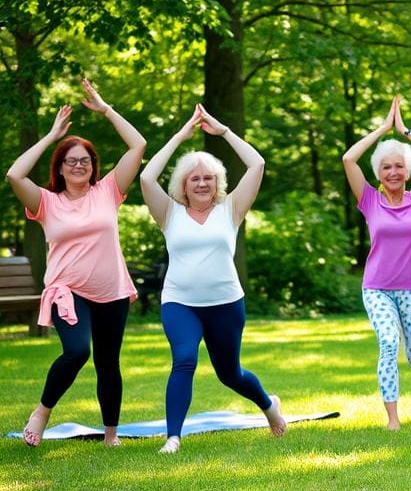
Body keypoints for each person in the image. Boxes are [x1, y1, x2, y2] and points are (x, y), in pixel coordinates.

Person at [6, 79, 146, 447]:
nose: (79, 165)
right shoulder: (46, 202)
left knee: (108, 362)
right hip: (67, 291)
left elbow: (138, 145)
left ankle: (111, 435)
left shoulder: (108, 191)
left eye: (85, 160)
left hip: (112, 290)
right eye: (71, 161)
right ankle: (42, 412)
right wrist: (51, 137)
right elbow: (14, 174)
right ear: (61, 167)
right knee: (77, 351)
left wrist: (106, 109)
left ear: (93, 166)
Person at [140, 104, 286, 453]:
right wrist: (180, 137)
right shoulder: (168, 212)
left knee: (230, 374)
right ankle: (173, 437)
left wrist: (224, 132)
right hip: (180, 303)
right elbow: (146, 178)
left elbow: (257, 164)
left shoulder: (230, 209)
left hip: (226, 304)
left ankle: (269, 406)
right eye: (195, 178)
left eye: (209, 178)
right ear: (183, 185)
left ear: (218, 183)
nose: (202, 183)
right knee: (184, 360)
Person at [342, 97, 411, 431]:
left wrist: (405, 131)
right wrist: (383, 129)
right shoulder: (369, 199)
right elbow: (348, 158)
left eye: (399, 166)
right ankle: (393, 419)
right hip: (377, 287)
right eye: (386, 167)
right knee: (388, 343)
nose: (393, 172)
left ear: (408, 171)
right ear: (378, 173)